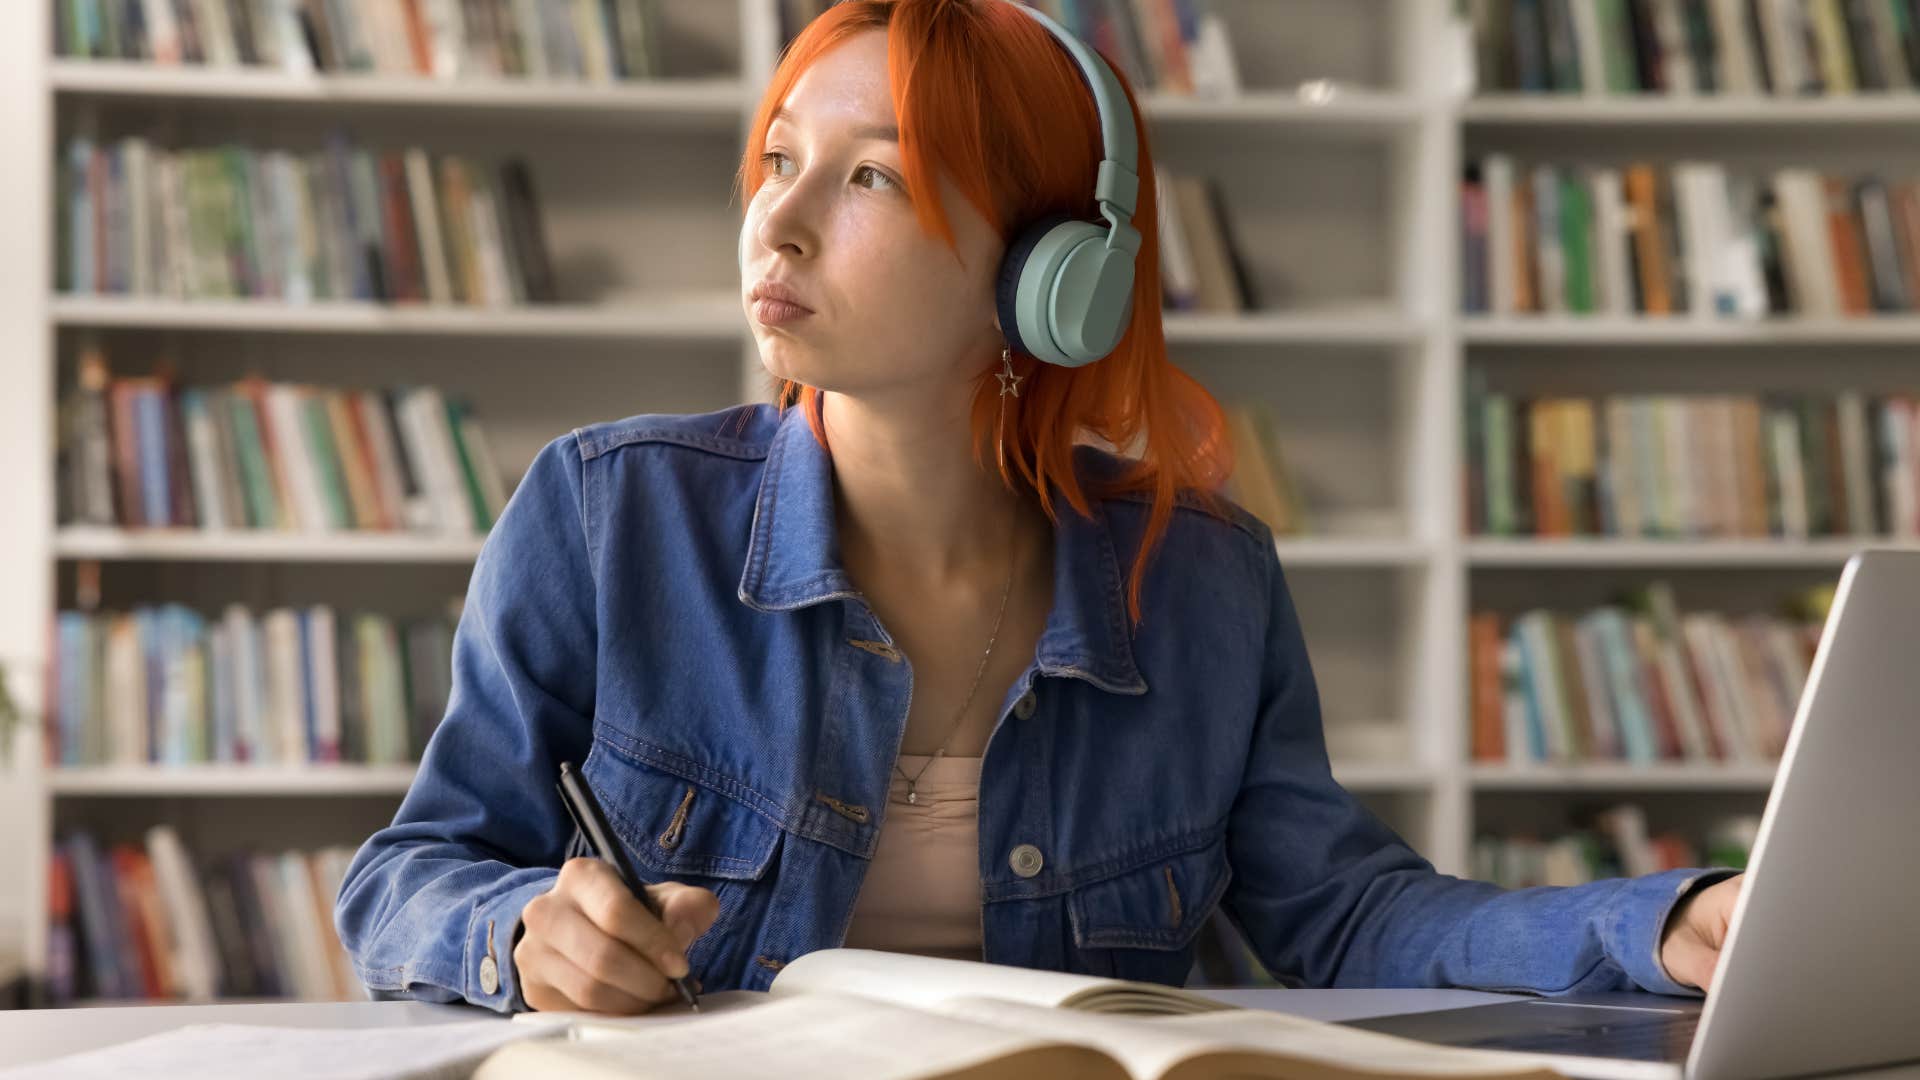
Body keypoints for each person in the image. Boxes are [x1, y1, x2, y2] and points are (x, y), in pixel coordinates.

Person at [333, 0, 1743, 1017]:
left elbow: (1347, 912)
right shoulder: (607, 516)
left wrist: (1664, 925)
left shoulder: (1204, 580)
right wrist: (518, 931)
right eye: (778, 160)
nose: (780, 220)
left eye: (870, 174)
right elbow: (408, 875)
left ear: (1046, 273)